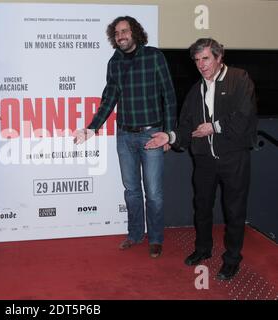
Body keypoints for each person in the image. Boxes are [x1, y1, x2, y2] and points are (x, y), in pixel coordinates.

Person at [145, 38, 257, 280]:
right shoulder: (196, 90)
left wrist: (214, 127)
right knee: (202, 207)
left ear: (219, 57)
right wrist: (169, 135)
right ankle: (203, 249)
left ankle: (232, 260)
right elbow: (186, 126)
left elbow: (244, 116)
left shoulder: (239, 79)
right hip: (205, 160)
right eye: (196, 60)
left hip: (234, 157)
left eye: (205, 58)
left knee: (234, 211)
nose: (200, 64)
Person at [74, 16, 176, 258]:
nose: (121, 36)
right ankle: (135, 234)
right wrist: (91, 128)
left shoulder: (154, 57)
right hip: (125, 137)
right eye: (117, 33)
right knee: (131, 190)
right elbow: (109, 98)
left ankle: (156, 238)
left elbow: (169, 96)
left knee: (153, 192)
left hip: (152, 134)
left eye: (125, 31)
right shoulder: (114, 63)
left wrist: (169, 135)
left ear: (135, 33)